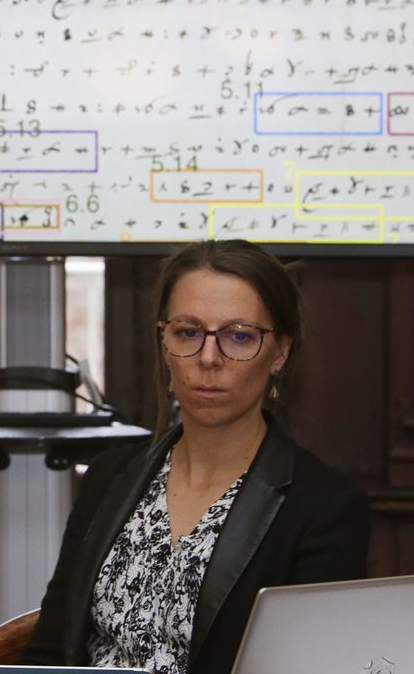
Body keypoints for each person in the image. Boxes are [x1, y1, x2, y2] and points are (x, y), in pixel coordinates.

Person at [22, 239, 369, 674]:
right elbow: (49, 654)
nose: (208, 358)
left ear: (280, 352)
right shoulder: (109, 477)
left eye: (239, 336)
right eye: (188, 332)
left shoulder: (325, 509)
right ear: (164, 342)